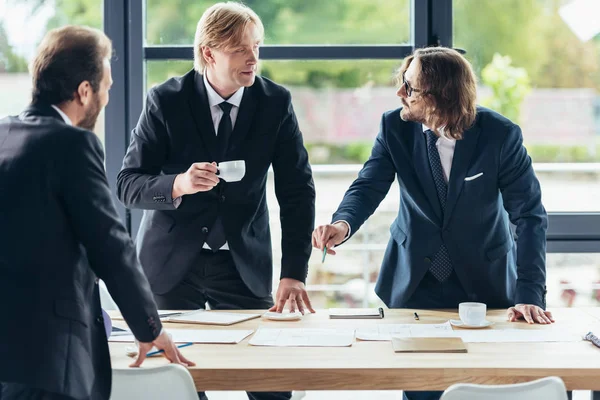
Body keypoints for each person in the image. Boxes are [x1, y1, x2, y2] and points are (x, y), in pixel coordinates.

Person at [312, 47, 553, 400]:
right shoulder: (394, 126)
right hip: (414, 283)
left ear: (442, 94)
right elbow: (369, 184)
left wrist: (530, 294)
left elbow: (529, 215)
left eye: (409, 88)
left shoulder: (500, 136)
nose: (399, 94)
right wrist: (342, 224)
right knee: (421, 390)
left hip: (483, 284)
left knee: (485, 387)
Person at [117, 3, 315, 399]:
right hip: (170, 265)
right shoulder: (165, 100)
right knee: (173, 385)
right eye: (241, 49)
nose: (254, 59)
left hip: (242, 263)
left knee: (272, 386)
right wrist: (178, 184)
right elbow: (127, 184)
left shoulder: (275, 102)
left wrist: (294, 272)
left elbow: (297, 191)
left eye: (257, 47)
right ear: (209, 53)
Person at [0, 25, 193, 400]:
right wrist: (149, 328)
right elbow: (111, 246)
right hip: (48, 360)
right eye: (105, 87)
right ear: (84, 91)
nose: (106, 98)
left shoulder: (5, 135)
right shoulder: (72, 144)